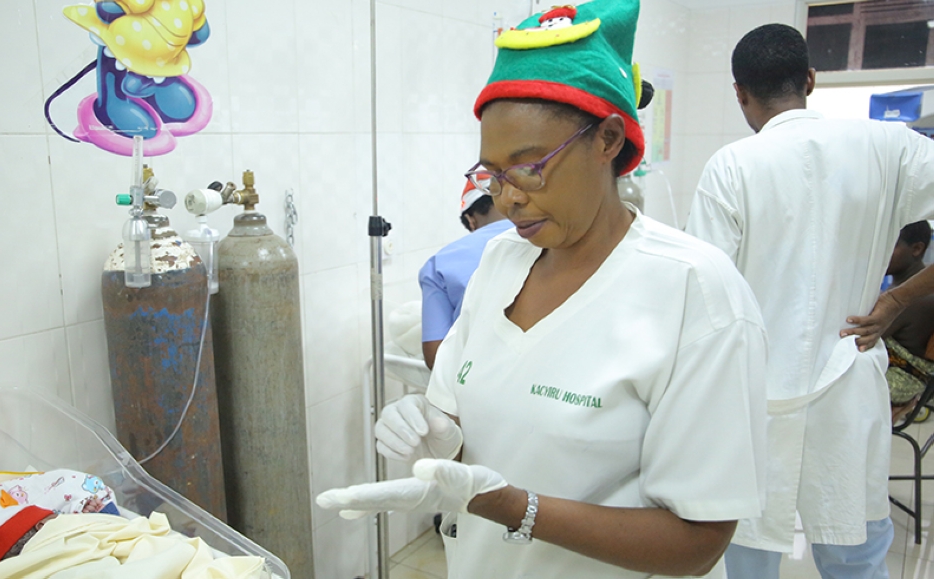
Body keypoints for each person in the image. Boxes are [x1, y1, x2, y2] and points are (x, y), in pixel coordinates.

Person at [318, 2, 768, 577]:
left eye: (530, 167)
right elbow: (461, 433)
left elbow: (696, 542)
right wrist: (432, 432)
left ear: (608, 139)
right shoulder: (503, 261)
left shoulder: (693, 293)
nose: (506, 199)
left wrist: (512, 507)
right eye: (493, 174)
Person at [685, 23, 934, 579]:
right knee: (856, 553)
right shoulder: (890, 147)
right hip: (846, 381)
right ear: (811, 80)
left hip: (752, 396)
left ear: (739, 92)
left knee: (748, 551)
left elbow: (702, 293)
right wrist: (897, 302)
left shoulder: (732, 166)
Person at [418, 177, 512, 368]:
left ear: (471, 221)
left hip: (476, 384)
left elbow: (436, 357)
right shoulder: (552, 244)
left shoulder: (439, 264)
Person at [883, 221, 934, 420]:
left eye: (890, 247)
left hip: (898, 382)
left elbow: (858, 340)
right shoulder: (904, 287)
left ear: (916, 249)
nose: (881, 255)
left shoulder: (911, 298)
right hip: (903, 379)